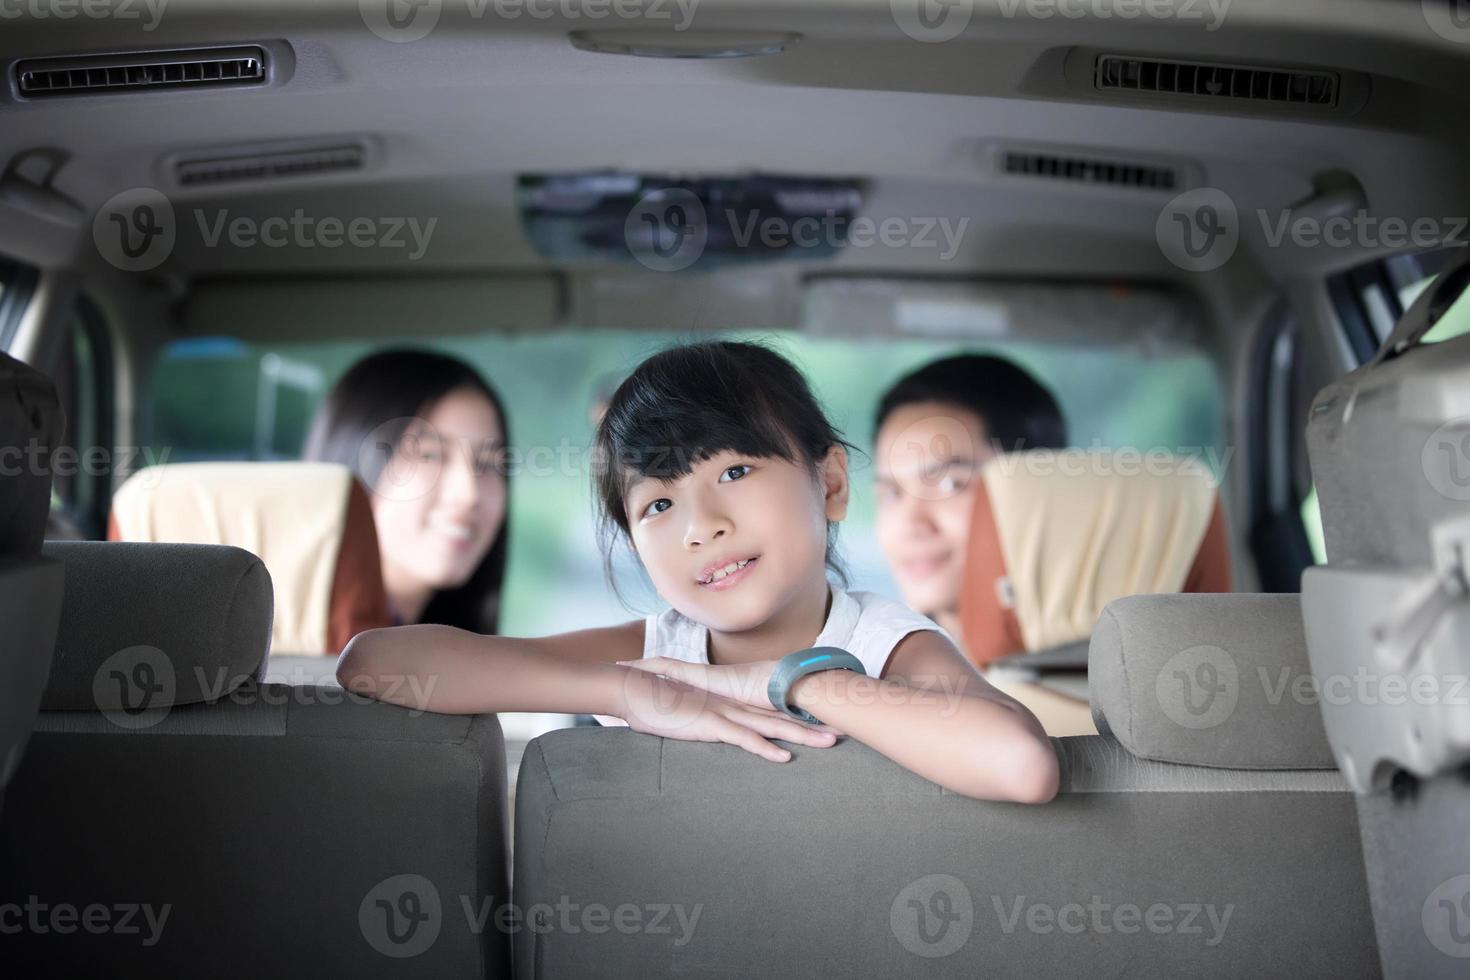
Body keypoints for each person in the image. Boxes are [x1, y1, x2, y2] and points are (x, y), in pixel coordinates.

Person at [338, 341, 1058, 803]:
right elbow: (374, 663)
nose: (700, 524)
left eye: (736, 469)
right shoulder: (656, 656)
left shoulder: (887, 642)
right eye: (656, 504)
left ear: (831, 484)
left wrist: (789, 681)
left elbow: (1022, 765)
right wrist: (626, 688)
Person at [303, 348, 510, 633]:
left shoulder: (436, 650)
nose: (469, 493)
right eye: (429, 455)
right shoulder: (295, 644)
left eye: (487, 463)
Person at [872, 354, 1066, 640]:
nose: (911, 524)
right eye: (892, 493)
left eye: (950, 484)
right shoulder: (874, 669)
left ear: (1037, 492)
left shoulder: (1113, 665)